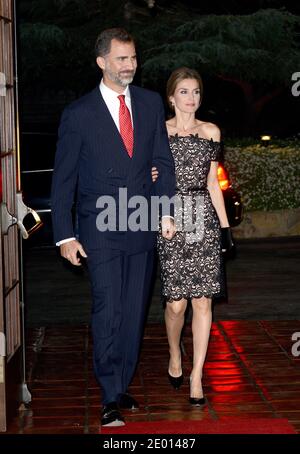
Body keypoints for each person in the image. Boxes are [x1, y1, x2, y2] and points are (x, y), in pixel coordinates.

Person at [51, 28, 176, 427]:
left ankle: (121, 383)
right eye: (122, 58)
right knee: (108, 308)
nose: (130, 66)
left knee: (134, 309)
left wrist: (167, 210)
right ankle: (108, 394)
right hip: (99, 225)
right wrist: (65, 234)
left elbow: (163, 161)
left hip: (140, 219)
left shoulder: (151, 103)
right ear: (102, 61)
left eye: (134, 58)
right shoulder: (79, 114)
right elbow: (64, 179)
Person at [157, 67, 233, 406]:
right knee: (176, 303)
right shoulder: (158, 132)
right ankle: (175, 352)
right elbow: (151, 179)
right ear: (172, 97)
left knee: (203, 301)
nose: (192, 99)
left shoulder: (212, 131)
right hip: (171, 218)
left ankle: (196, 375)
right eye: (185, 92)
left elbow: (213, 182)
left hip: (203, 217)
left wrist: (226, 227)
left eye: (196, 92)